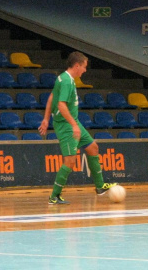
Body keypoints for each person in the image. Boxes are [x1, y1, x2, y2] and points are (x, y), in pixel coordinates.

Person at [38, 51, 117, 204]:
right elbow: (60, 104)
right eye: (84, 67)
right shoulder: (67, 81)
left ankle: (100, 186)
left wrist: (46, 119)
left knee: (93, 147)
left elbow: (52, 97)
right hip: (66, 125)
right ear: (76, 65)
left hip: (72, 122)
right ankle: (54, 196)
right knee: (70, 161)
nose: (85, 70)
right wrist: (74, 125)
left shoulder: (64, 78)